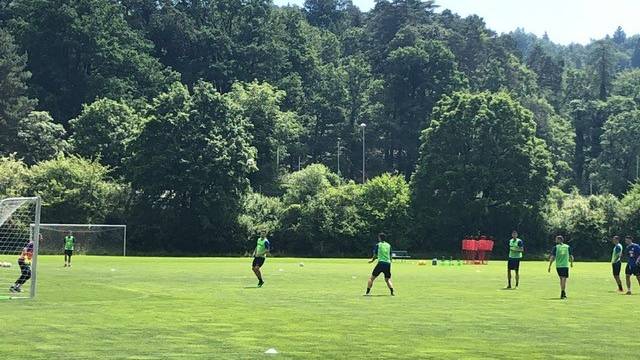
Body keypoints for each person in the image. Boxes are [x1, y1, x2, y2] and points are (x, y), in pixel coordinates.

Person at [548, 235, 574, 299]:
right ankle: (563, 292)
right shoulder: (567, 247)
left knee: (561, 279)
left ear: (559, 240)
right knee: (564, 279)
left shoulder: (555, 247)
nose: (555, 240)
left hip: (558, 266)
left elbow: (552, 257)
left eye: (556, 239)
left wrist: (549, 266)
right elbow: (571, 256)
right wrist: (571, 263)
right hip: (565, 265)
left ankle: (562, 292)